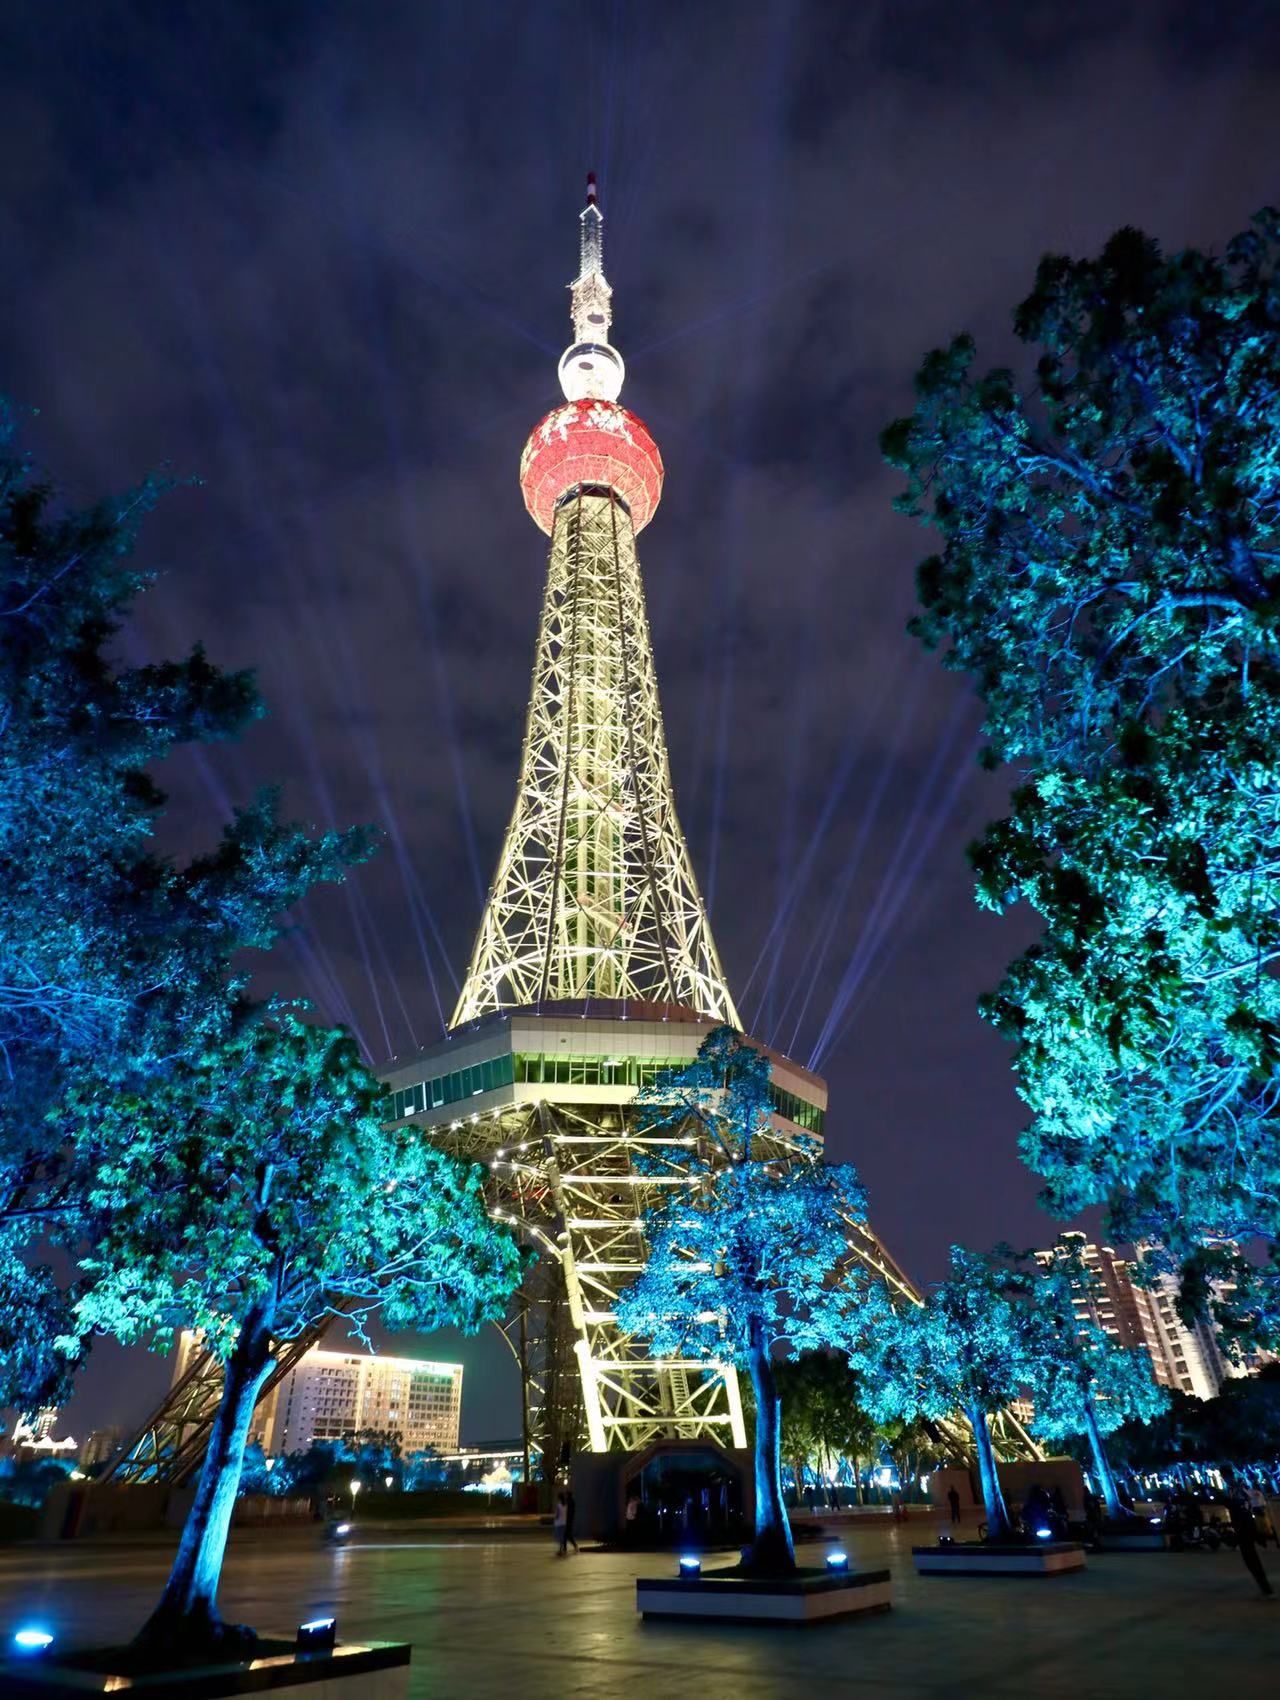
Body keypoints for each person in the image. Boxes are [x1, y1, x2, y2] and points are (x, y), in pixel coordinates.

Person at [1228, 1490, 1274, 1598]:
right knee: (1254, 1562)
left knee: (1252, 1562)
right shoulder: (1245, 1500)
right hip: (1247, 1533)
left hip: (1244, 1535)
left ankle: (1266, 1587)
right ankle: (1265, 1587)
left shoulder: (1237, 1502)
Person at [564, 1489, 579, 1554]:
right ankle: (565, 1548)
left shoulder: (568, 1501)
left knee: (566, 1535)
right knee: (566, 1535)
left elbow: (568, 1512)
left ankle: (566, 1548)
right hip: (569, 1520)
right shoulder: (572, 1501)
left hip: (567, 1521)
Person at [553, 1490, 568, 1557]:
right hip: (564, 1522)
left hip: (558, 1523)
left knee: (559, 1537)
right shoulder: (565, 1505)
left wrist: (555, 1518)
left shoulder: (558, 1505)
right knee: (562, 1537)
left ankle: (560, 1550)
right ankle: (561, 1550)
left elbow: (557, 1515)